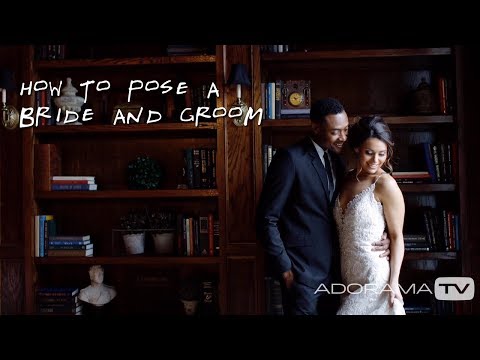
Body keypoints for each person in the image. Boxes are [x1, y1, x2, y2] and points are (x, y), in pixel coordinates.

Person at [256, 98, 390, 315]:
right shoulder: (290, 159)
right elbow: (266, 219)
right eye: (336, 132)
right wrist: (285, 269)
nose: (343, 138)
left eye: (346, 130)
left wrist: (383, 235)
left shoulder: (337, 162)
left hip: (336, 275)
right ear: (316, 127)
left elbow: (348, 212)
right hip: (301, 275)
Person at [334, 115, 405, 315]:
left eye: (382, 154)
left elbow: (396, 236)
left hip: (376, 279)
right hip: (348, 280)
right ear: (357, 148)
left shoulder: (385, 184)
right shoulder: (345, 179)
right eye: (369, 153)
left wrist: (394, 282)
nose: (376, 160)